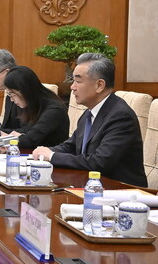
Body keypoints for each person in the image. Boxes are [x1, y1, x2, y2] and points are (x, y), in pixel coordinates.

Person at [31, 53, 147, 187]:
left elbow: (99, 162)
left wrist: (52, 156)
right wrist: (41, 154)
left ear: (99, 85)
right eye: (72, 80)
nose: (72, 87)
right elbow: (71, 146)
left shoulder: (121, 116)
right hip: (90, 186)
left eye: (78, 81)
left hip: (120, 192)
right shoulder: (89, 112)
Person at [0, 66, 68, 149]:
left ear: (24, 90)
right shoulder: (33, 106)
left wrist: (6, 139)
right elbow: (27, 130)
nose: (11, 99)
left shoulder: (54, 110)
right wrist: (2, 132)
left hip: (49, 159)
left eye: (11, 94)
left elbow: (29, 141)